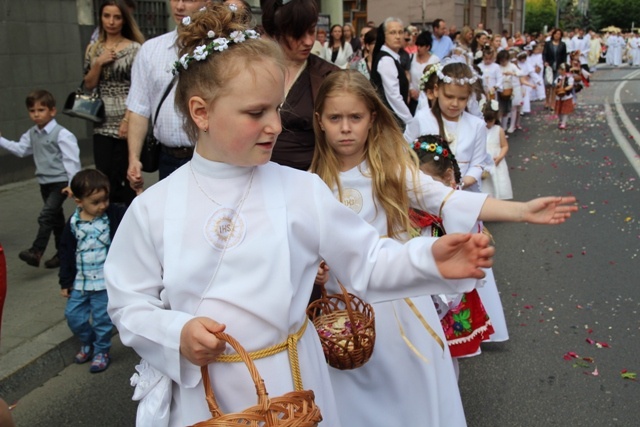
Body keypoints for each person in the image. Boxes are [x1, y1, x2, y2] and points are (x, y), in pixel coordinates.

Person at [104, 5, 498, 426]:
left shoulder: (300, 190)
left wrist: (429, 258)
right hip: (207, 396)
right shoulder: (155, 207)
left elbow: (367, 260)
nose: (275, 125)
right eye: (256, 113)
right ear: (201, 113)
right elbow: (129, 302)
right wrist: (176, 334)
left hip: (294, 385)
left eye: (276, 109)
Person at [310, 70, 577, 426]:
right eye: (335, 118)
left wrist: (521, 211)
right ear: (320, 122)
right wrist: (315, 267)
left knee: (411, 400)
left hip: (397, 307)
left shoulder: (392, 171)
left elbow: (448, 200)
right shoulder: (311, 183)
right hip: (341, 318)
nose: (345, 127)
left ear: (372, 119)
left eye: (355, 117)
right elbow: (308, 244)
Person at [412, 135, 494, 366]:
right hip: (419, 281)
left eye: (426, 185)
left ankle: (448, 399)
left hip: (448, 284)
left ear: (447, 177)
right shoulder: (412, 208)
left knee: (446, 356)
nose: (420, 192)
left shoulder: (458, 204)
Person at [126, 0, 207, 192]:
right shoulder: (151, 50)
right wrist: (133, 159)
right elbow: (139, 108)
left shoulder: (221, 48)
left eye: (188, 0)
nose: (179, 7)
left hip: (210, 157)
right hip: (168, 159)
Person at [0, 90, 80, 268]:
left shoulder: (61, 134)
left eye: (41, 110)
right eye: (32, 111)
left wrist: (72, 184)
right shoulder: (32, 133)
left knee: (46, 216)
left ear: (52, 111)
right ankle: (63, 254)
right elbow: (21, 149)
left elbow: (71, 160)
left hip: (60, 183)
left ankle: (36, 251)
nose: (36, 114)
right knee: (56, 220)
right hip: (44, 183)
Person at [59, 169, 127, 373]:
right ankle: (87, 342)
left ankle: (101, 350)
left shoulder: (112, 216)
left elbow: (134, 212)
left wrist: (138, 190)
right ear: (79, 201)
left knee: (102, 320)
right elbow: (65, 252)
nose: (102, 206)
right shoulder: (72, 223)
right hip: (81, 281)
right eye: (95, 202)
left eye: (105, 199)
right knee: (74, 316)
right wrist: (65, 282)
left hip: (103, 284)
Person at [260, 0, 338, 170]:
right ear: (277, 33)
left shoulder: (328, 76)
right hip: (257, 173)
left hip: (312, 174)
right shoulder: (254, 72)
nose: (309, 41)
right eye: (298, 35)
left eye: (311, 31)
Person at [84, 0, 144, 206]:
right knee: (104, 177)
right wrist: (99, 62)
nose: (111, 22)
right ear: (100, 18)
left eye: (117, 17)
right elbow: (89, 84)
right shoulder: (94, 48)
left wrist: (128, 120)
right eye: (107, 16)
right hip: (101, 121)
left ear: (124, 19)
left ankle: (126, 222)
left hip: (126, 120)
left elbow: (139, 88)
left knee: (125, 179)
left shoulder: (135, 49)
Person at [405, 62, 492, 193]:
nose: (455, 104)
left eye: (462, 98)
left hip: (463, 193)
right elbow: (405, 152)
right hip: (426, 192)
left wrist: (460, 184)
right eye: (449, 96)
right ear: (436, 90)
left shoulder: (476, 125)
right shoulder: (421, 119)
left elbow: (478, 164)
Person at [370, 17, 413, 128]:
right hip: (389, 121)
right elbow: (393, 96)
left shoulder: (392, 58)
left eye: (400, 32)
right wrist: (410, 120)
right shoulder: (386, 60)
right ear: (384, 36)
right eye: (392, 33)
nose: (398, 36)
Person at [481, 102, 512, 199]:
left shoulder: (498, 130)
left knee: (497, 184)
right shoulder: (479, 130)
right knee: (484, 187)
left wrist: (500, 156)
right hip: (483, 162)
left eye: (490, 121)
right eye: (485, 121)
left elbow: (504, 146)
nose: (488, 124)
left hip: (495, 162)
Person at [409, 30, 440, 111]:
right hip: (412, 99)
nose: (418, 48)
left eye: (421, 46)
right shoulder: (411, 57)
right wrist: (411, 89)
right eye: (417, 45)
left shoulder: (435, 60)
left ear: (427, 47)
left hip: (427, 99)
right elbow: (407, 75)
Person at [543, 29, 567, 109]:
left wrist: (563, 66)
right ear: (553, 35)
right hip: (549, 65)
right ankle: (547, 101)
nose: (557, 35)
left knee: (555, 85)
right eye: (556, 34)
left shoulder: (563, 45)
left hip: (558, 66)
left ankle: (553, 102)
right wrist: (545, 62)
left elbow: (564, 56)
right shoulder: (548, 44)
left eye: (559, 34)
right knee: (547, 84)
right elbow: (544, 54)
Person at [554, 63, 574, 130]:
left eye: (560, 69)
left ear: (564, 70)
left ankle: (563, 123)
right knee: (559, 110)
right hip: (559, 97)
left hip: (566, 96)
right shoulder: (559, 78)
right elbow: (555, 84)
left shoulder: (569, 77)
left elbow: (571, 85)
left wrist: (564, 89)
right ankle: (560, 120)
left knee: (565, 111)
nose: (559, 71)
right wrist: (558, 85)